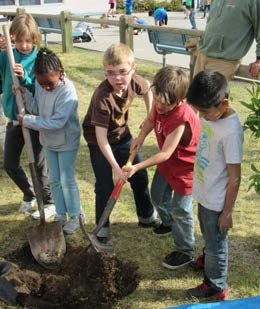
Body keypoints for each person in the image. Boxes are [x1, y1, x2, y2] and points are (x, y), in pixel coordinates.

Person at [123, 66, 200, 269]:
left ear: (180, 100)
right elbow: (150, 120)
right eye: (156, 99)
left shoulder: (181, 119)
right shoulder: (159, 104)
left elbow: (165, 153)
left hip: (186, 169)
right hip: (168, 165)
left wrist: (137, 167)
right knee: (157, 195)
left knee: (181, 209)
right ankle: (167, 223)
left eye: (165, 104)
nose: (158, 106)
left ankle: (185, 251)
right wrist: (140, 137)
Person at [82, 43, 160, 242]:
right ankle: (102, 227)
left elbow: (148, 87)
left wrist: (150, 114)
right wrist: (116, 168)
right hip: (98, 140)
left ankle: (146, 216)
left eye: (122, 72)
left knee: (140, 176)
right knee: (105, 185)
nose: (117, 78)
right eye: (111, 73)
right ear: (105, 72)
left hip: (122, 135)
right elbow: (101, 138)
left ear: (132, 69)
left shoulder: (135, 82)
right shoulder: (102, 96)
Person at [186, 70, 244, 300]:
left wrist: (227, 212)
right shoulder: (212, 115)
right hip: (205, 192)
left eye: (205, 112)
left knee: (217, 243)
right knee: (209, 234)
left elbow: (235, 177)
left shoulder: (231, 133)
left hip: (218, 201)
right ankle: (207, 258)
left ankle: (216, 284)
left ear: (224, 104)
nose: (202, 116)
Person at [17, 48, 85, 234]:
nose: (46, 87)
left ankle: (76, 216)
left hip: (66, 141)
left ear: (60, 72)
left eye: (50, 83)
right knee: (54, 180)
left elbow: (57, 122)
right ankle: (61, 214)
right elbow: (37, 110)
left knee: (66, 179)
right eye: (41, 83)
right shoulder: (40, 84)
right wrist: (25, 94)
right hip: (48, 141)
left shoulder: (67, 91)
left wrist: (28, 122)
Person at [0, 13, 55, 220]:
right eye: (19, 40)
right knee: (10, 164)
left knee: (39, 165)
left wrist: (25, 79)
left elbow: (42, 88)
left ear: (35, 39)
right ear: (12, 37)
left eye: (28, 41)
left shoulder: (38, 58)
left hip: (32, 119)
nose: (24, 45)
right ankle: (30, 194)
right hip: (14, 119)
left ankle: (49, 201)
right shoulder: (6, 56)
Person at [193, 0, 260, 80]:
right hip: (202, 54)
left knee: (210, 92)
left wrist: (259, 60)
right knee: (194, 92)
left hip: (224, 60)